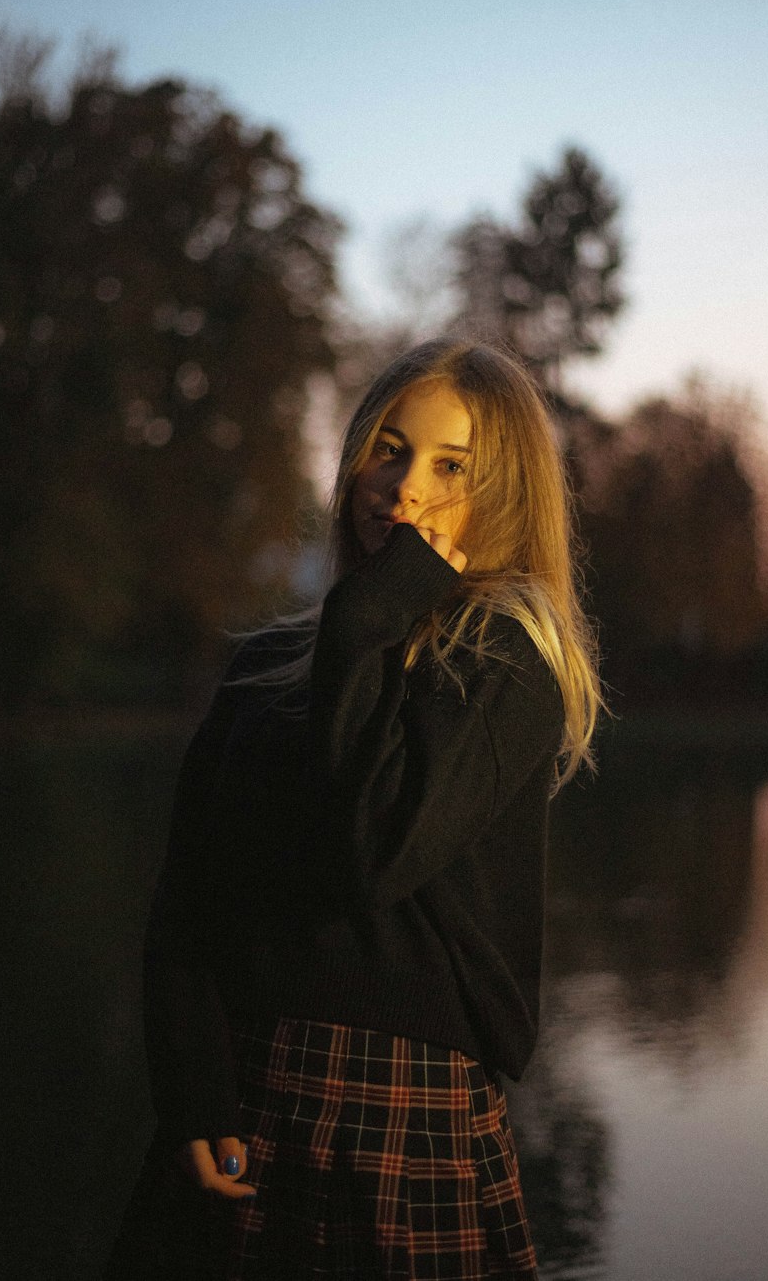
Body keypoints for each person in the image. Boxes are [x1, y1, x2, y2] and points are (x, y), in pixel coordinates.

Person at [108, 337, 601, 1280]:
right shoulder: (264, 671)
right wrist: (194, 1096)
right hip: (246, 1100)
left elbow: (375, 848)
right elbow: (187, 908)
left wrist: (368, 618)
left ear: (506, 494)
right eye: (389, 447)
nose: (404, 485)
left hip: (403, 1119)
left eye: (451, 466)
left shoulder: (506, 664)